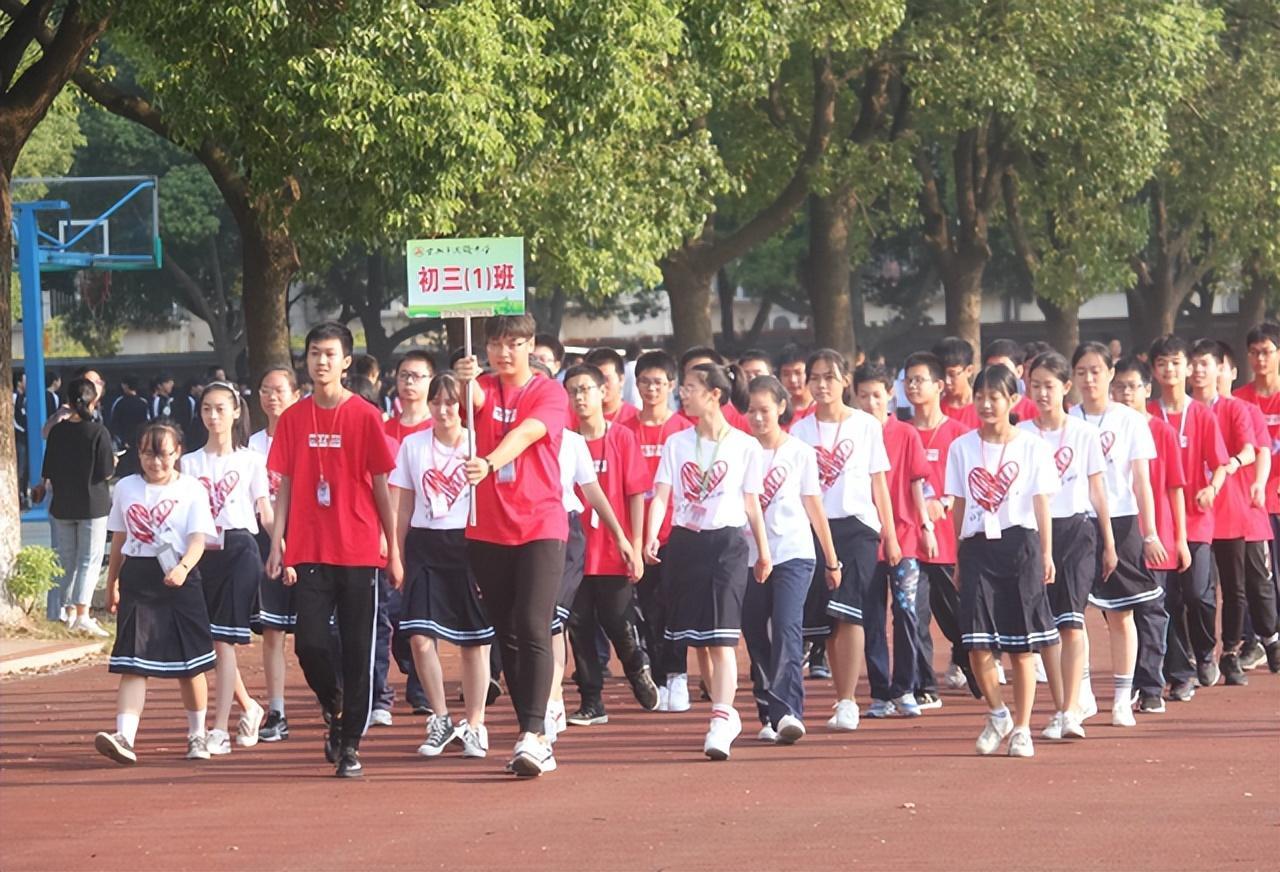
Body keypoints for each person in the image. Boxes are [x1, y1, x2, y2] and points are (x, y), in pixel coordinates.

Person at [266, 321, 401, 778]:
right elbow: (285, 484)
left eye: (329, 354)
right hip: (309, 548)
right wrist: (277, 543)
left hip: (359, 549)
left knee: (359, 648)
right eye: (314, 354)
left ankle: (350, 745)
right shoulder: (293, 418)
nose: (321, 362)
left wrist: (393, 549)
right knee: (310, 643)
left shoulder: (365, 415)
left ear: (345, 362)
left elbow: (381, 486)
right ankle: (335, 703)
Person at [454, 313, 568, 777]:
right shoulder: (482, 386)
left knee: (532, 623)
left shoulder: (549, 392)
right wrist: (463, 380)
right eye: (496, 344)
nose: (504, 353)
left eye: (514, 344)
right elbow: (474, 400)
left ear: (530, 345)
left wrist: (488, 461)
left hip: (540, 525)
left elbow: (526, 433)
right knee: (507, 632)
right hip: (488, 529)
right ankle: (529, 731)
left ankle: (536, 733)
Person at [644, 362, 770, 760]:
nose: (682, 394)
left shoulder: (745, 445)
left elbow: (752, 503)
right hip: (686, 543)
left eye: (690, 387)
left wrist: (763, 552)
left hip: (727, 545)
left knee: (722, 637)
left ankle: (721, 718)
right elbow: (661, 494)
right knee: (698, 636)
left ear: (714, 394)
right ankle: (723, 711)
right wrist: (651, 534)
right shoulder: (677, 442)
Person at [945, 366, 1060, 758]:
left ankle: (1023, 728)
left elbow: (1042, 503)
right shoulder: (961, 448)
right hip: (977, 548)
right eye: (980, 397)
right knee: (976, 643)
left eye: (995, 397)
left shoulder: (1032, 447)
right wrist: (958, 555)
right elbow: (959, 504)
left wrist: (1046, 552)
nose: (986, 404)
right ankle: (998, 713)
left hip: (1021, 546)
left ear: (1013, 400)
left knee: (1021, 646)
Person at [93, 420, 218, 765]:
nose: (155, 462)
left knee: (190, 664)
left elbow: (198, 539)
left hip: (179, 577)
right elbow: (119, 537)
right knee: (133, 662)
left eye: (163, 454)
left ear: (177, 453)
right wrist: (112, 582)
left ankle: (197, 734)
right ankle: (124, 737)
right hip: (139, 577)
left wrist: (183, 568)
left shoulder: (192, 489)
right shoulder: (126, 488)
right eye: (148, 454)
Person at [790, 350, 898, 732]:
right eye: (815, 378)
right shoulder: (799, 431)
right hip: (816, 529)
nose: (821, 385)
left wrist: (889, 532)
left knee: (850, 611)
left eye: (829, 378)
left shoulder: (866, 425)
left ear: (845, 381)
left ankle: (849, 700)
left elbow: (878, 481)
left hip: (858, 528)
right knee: (829, 619)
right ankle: (841, 696)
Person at [390, 372, 494, 759]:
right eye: (437, 402)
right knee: (419, 636)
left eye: (451, 402)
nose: (444, 410)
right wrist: (396, 552)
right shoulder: (413, 445)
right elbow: (402, 504)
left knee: (474, 642)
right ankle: (440, 718)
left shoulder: (479, 444)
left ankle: (476, 723)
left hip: (468, 545)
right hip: (424, 543)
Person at [1018, 352, 1116, 739]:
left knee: (1072, 621)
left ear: (1065, 387)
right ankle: (1062, 703)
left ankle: (1072, 710)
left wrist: (1109, 542)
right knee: (1045, 628)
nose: (1042, 393)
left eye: (1049, 385)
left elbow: (1097, 489)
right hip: (1032, 535)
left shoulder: (1084, 434)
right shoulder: (1021, 434)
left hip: (1076, 533)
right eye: (1035, 385)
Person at [1070, 342, 1166, 727]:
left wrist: (1150, 532)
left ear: (1110, 374)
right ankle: (1083, 694)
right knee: (1072, 614)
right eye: (1081, 372)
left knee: (1121, 612)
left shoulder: (1130, 421)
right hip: (1077, 522)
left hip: (1123, 521)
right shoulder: (1068, 420)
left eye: (1096, 371)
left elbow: (1142, 481)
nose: (1089, 379)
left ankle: (1123, 698)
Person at [742, 375, 840, 743]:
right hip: (750, 556)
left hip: (793, 553)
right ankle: (767, 711)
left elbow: (813, 505)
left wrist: (831, 559)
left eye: (765, 410)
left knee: (786, 627)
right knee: (755, 631)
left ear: (781, 408)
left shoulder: (800, 452)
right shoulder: (741, 451)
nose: (758, 418)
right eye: (752, 411)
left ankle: (788, 712)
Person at [562, 364, 654, 724]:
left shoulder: (622, 438)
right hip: (574, 550)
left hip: (613, 549)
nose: (580, 397)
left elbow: (635, 492)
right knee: (578, 625)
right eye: (573, 391)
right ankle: (591, 699)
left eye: (586, 389)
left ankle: (636, 666)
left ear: (603, 392)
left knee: (617, 620)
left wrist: (635, 542)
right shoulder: (565, 440)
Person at [183, 382, 270, 755]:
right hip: (201, 553)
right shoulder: (188, 463)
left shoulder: (251, 460)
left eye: (220, 408)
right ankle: (249, 706)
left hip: (239, 550)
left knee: (222, 640)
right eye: (206, 408)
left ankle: (218, 728)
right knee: (210, 642)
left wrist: (283, 548)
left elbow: (264, 510)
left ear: (236, 412)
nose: (213, 416)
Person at [1189, 339, 1277, 684]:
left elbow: (1255, 450)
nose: (1199, 371)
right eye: (1194, 364)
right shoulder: (1180, 411)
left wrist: (1249, 477)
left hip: (1232, 508)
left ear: (1222, 369)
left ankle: (1232, 651)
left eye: (1207, 364)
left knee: (1241, 585)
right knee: (1196, 591)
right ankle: (1199, 654)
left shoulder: (1237, 408)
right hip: (1192, 509)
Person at [1148, 334, 1228, 699]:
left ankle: (1205, 650)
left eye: (1176, 362)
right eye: (1162, 363)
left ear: (1187, 367)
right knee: (1168, 599)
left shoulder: (1202, 415)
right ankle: (1181, 671)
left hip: (1196, 516)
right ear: (1154, 370)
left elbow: (1221, 464)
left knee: (1198, 593)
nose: (1170, 369)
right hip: (1161, 520)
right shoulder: (1148, 414)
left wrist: (1212, 487)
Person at [1111, 356, 1191, 712]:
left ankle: (1150, 685)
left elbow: (1175, 488)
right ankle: (1137, 679)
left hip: (1155, 535)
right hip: (1117, 534)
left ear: (1147, 389)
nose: (1126, 393)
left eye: (1132, 387)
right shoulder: (1102, 430)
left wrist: (1179, 539)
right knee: (1119, 612)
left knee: (1152, 610)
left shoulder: (1162, 431)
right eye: (1119, 387)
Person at [854, 364, 935, 718]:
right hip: (865, 538)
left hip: (904, 534)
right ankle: (879, 691)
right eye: (863, 396)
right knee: (870, 616)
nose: (871, 402)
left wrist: (926, 526)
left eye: (877, 395)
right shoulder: (853, 434)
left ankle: (905, 686)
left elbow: (917, 483)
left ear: (890, 394)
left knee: (905, 611)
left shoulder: (905, 433)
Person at [903, 351, 976, 702]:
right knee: (913, 612)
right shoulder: (901, 432)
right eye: (908, 380)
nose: (913, 386)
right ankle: (924, 686)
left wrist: (944, 503)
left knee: (955, 614)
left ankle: (971, 660)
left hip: (948, 539)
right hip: (911, 537)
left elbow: (970, 483)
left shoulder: (959, 435)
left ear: (939, 385)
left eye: (920, 380)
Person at [624, 350, 694, 711]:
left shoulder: (684, 430)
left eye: (658, 383)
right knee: (649, 609)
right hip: (639, 534)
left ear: (672, 386)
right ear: (636, 385)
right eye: (645, 382)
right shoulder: (625, 430)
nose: (651, 389)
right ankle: (659, 676)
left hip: (677, 533)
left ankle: (678, 674)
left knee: (676, 606)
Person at [247, 367, 301, 742]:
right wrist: (279, 544)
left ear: (296, 395)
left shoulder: (308, 437)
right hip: (268, 543)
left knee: (319, 632)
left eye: (279, 390)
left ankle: (334, 698)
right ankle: (277, 710)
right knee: (272, 629)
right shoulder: (252, 446)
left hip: (310, 540)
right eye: (265, 390)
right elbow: (261, 504)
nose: (272, 397)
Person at [381, 352, 436, 717]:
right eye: (404, 375)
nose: (410, 382)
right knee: (391, 612)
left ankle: (421, 689)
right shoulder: (383, 429)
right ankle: (405, 661)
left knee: (422, 614)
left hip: (428, 531)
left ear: (431, 381)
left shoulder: (440, 428)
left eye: (418, 376)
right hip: (387, 532)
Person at [37, 377, 114, 636]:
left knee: (66, 560)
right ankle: (83, 613)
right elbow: (106, 472)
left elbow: (48, 469)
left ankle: (68, 611)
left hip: (62, 504)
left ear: (68, 401)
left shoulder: (57, 432)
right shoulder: (98, 432)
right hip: (92, 505)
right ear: (94, 401)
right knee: (89, 560)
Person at [1234, 322, 1280, 672]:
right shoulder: (1240, 399)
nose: (1260, 359)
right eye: (1254, 352)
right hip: (1250, 502)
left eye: (1266, 351)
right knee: (1253, 575)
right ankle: (1257, 639)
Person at [983, 338, 1039, 423]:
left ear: (1019, 371)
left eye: (1002, 368)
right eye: (991, 368)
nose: (996, 373)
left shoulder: (1035, 412)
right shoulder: (978, 410)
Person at [583, 347, 639, 427]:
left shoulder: (636, 418)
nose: (601, 385)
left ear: (621, 379)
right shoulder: (579, 417)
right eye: (596, 379)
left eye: (606, 379)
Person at [110, 376, 152, 479]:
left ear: (125, 386)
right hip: (139, 441)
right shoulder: (143, 402)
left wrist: (122, 440)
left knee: (125, 472)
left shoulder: (119, 402)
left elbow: (114, 423)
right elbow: (147, 423)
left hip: (123, 443)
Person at [933, 336, 979, 430]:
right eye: (941, 374)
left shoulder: (983, 408)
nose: (947, 381)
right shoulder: (935, 408)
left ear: (969, 370)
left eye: (952, 374)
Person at [777, 345, 815, 424]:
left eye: (798, 373)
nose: (792, 380)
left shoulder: (822, 409)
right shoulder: (776, 412)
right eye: (786, 374)